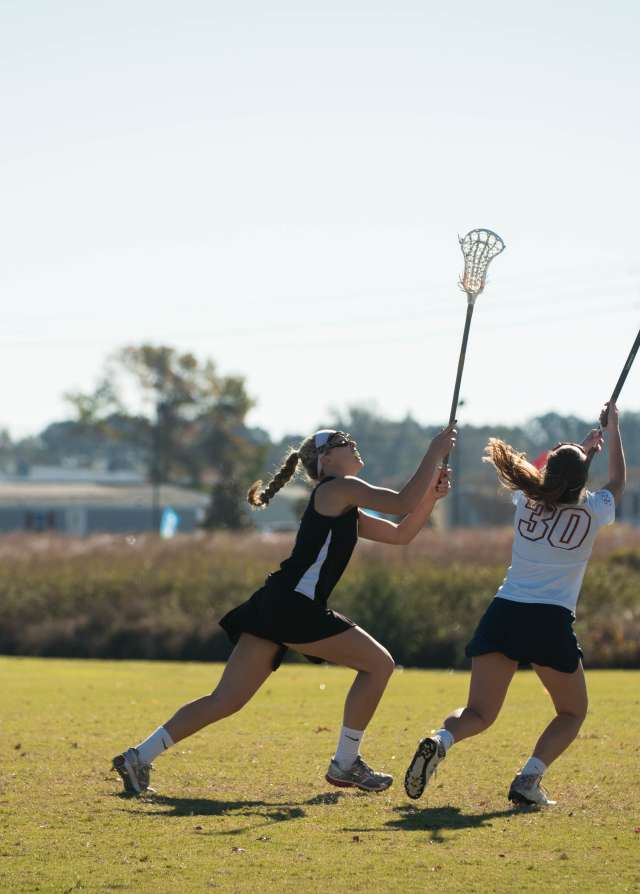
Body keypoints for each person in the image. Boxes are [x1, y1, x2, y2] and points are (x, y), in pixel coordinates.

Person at [113, 423, 456, 796]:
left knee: (225, 700)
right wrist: (434, 452)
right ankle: (345, 763)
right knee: (379, 664)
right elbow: (402, 501)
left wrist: (430, 500)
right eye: (345, 442)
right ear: (325, 460)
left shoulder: (344, 501)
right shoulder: (339, 488)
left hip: (277, 602)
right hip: (295, 606)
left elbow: (400, 533)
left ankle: (138, 757)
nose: (354, 445)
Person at [404, 403, 625, 807]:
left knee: (479, 713)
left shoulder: (526, 501)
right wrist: (614, 433)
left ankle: (441, 739)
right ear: (582, 479)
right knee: (572, 713)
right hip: (549, 621)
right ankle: (528, 779)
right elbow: (617, 481)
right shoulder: (594, 510)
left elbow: (554, 480)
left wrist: (582, 448)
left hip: (504, 612)